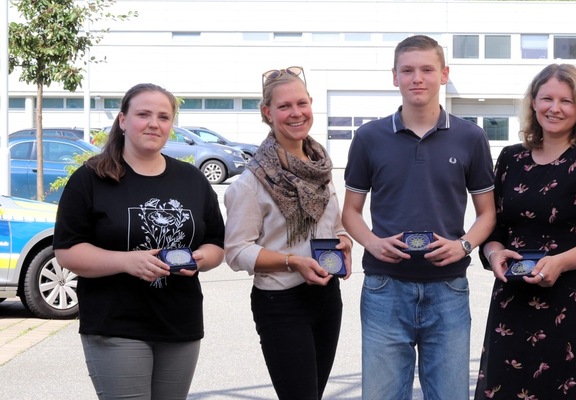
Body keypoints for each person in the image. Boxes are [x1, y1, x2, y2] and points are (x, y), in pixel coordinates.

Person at [342, 35, 496, 399]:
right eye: (407, 70)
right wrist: (372, 243)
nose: (417, 78)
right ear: (394, 76)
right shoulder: (368, 137)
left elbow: (487, 214)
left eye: (427, 69)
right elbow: (350, 211)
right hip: (384, 288)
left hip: (448, 289)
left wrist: (463, 245)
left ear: (444, 74)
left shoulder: (471, 137)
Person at [53, 83, 226, 399]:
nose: (154, 123)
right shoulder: (91, 178)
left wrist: (201, 259)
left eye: (163, 116)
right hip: (116, 325)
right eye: (143, 114)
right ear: (122, 120)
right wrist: (127, 261)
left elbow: (216, 243)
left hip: (180, 324)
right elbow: (67, 250)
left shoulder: (192, 180)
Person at [474, 64, 576, 400]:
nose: (555, 108)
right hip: (512, 298)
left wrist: (559, 263)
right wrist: (494, 253)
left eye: (566, 101)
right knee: (502, 389)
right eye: (547, 98)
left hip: (569, 299)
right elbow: (493, 227)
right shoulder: (510, 158)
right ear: (533, 102)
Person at [224, 66, 352, 400]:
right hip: (281, 302)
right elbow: (237, 252)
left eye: (301, 103)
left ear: (311, 103)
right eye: (284, 106)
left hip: (326, 297)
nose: (295, 113)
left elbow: (334, 225)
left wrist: (345, 241)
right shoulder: (251, 182)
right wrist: (293, 261)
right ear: (267, 112)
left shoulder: (320, 166)